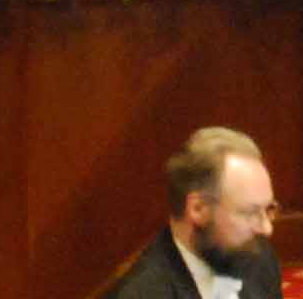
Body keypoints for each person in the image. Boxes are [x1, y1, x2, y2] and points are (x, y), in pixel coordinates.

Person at [111, 124, 284, 299]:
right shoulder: (141, 293)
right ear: (198, 209)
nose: (267, 228)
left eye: (269, 209)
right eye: (250, 213)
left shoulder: (257, 257)